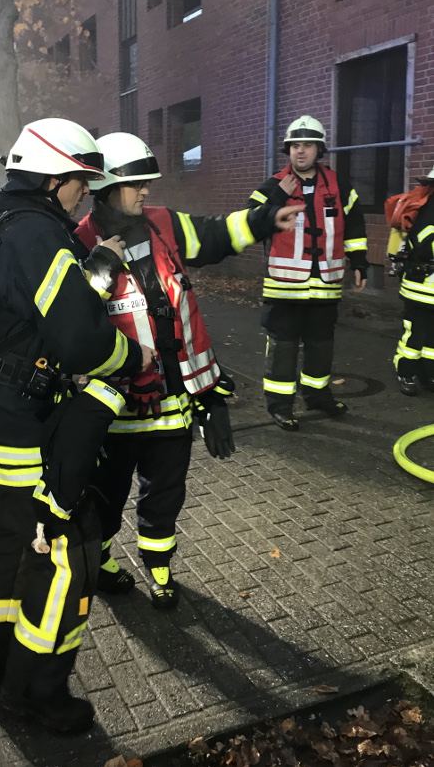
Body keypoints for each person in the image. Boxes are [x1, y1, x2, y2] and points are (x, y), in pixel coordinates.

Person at [0, 119, 150, 734]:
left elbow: (41, 314)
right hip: (20, 434)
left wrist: (93, 266)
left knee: (7, 548)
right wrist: (133, 358)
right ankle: (35, 692)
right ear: (53, 179)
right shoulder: (41, 235)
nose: (82, 196)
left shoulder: (1, 228)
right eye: (78, 183)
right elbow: (79, 338)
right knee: (69, 555)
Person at [75, 132, 302, 609]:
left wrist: (264, 221)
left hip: (171, 407)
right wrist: (98, 269)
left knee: (164, 499)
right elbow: (71, 321)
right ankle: (102, 561)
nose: (146, 192)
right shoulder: (78, 244)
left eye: (147, 183)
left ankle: (159, 570)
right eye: (137, 184)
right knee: (105, 498)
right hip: (112, 413)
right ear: (106, 186)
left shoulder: (162, 224)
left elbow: (217, 234)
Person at [247, 115, 368, 430]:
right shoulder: (274, 184)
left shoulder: (338, 185)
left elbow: (354, 224)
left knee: (320, 347)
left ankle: (317, 397)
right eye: (295, 146)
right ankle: (280, 405)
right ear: (288, 150)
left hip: (326, 287)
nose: (300, 151)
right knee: (283, 349)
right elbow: (250, 221)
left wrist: (360, 262)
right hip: (284, 288)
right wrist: (276, 197)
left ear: (319, 149)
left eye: (308, 145)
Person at [388, 167, 434, 395]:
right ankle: (405, 372)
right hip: (420, 285)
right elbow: (425, 241)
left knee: (431, 337)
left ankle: (428, 374)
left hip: (426, 284)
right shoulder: (426, 210)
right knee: (415, 334)